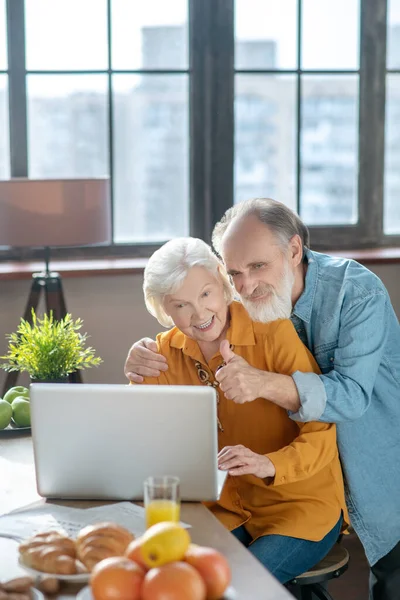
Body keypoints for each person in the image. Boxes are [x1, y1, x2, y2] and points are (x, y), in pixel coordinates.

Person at [125, 199, 400, 600]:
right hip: (247, 496)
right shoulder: (230, 316)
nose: (247, 284)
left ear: (293, 251)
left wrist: (262, 384)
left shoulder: (353, 293)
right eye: (234, 273)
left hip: (371, 456)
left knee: (391, 577)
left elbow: (352, 398)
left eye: (257, 267)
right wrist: (137, 362)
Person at [133, 236, 347, 585]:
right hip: (221, 509)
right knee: (175, 578)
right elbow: (136, 433)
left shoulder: (272, 330)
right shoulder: (161, 355)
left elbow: (323, 428)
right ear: (164, 310)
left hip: (298, 505)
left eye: (206, 294)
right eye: (181, 305)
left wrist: (270, 463)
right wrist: (133, 369)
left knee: (238, 586)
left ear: (222, 284)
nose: (200, 314)